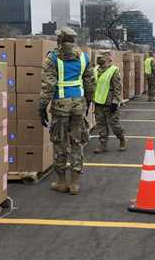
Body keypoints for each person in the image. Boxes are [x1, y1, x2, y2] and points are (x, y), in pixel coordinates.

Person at [39, 27, 95, 195]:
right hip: (79, 105)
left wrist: (42, 106)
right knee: (77, 142)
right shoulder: (84, 58)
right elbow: (90, 83)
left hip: (60, 106)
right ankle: (75, 184)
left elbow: (47, 86)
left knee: (59, 143)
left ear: (60, 40)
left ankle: (62, 182)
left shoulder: (52, 58)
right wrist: (88, 101)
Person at [93, 50, 127, 153]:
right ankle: (103, 144)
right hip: (98, 101)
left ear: (108, 58)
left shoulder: (113, 70)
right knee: (101, 124)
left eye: (102, 57)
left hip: (110, 102)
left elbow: (117, 87)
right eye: (99, 57)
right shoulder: (95, 70)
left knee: (114, 124)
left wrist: (116, 101)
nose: (99, 59)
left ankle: (122, 139)